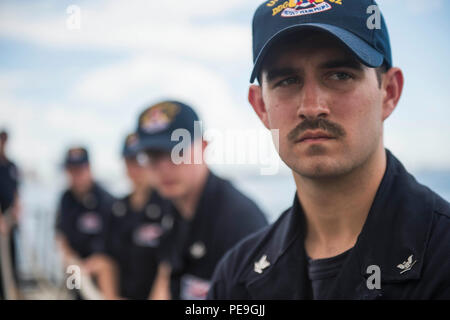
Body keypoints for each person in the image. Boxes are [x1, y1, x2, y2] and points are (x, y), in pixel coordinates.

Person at [208, 0, 450, 299]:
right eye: (287, 80)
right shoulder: (235, 278)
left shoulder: (442, 254)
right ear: (261, 107)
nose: (311, 107)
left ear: (388, 92)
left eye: (340, 75)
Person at [133, 101, 268, 300]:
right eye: (153, 157)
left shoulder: (240, 223)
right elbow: (166, 273)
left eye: (177, 153)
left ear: (204, 147)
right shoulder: (171, 207)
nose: (164, 168)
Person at [106, 133, 174, 299]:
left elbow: (170, 265)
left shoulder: (169, 207)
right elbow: (107, 257)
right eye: (130, 161)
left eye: (140, 160)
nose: (135, 168)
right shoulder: (117, 208)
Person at [55, 146, 119, 299]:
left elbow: (114, 242)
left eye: (80, 170)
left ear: (88, 168)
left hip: (101, 269)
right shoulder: (66, 198)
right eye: (72, 170)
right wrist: (69, 257)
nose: (76, 176)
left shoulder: (106, 200)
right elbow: (60, 233)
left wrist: (94, 264)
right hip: (75, 266)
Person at [0, 130, 21, 299]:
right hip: (1, 224)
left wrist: (18, 208)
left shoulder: (12, 166)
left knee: (12, 260)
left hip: (11, 223)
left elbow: (16, 191)